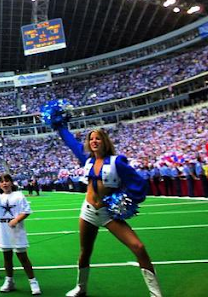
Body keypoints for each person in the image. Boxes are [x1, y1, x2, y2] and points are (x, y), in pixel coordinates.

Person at [57, 125, 162, 297]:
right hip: (88, 212)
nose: (94, 141)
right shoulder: (87, 160)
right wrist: (60, 126)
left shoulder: (117, 161)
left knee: (138, 247)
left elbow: (138, 183)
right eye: (91, 139)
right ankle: (81, 287)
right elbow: (71, 143)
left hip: (108, 213)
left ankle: (156, 293)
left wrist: (125, 200)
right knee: (85, 251)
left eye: (97, 138)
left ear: (104, 141)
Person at [0, 174, 42, 295]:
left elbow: (26, 211)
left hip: (17, 232)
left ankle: (33, 282)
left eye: (7, 181)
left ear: (11, 183)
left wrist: (16, 220)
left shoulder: (18, 195)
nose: (4, 183)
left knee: (23, 258)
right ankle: (9, 281)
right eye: (2, 182)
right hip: (4, 233)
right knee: (7, 258)